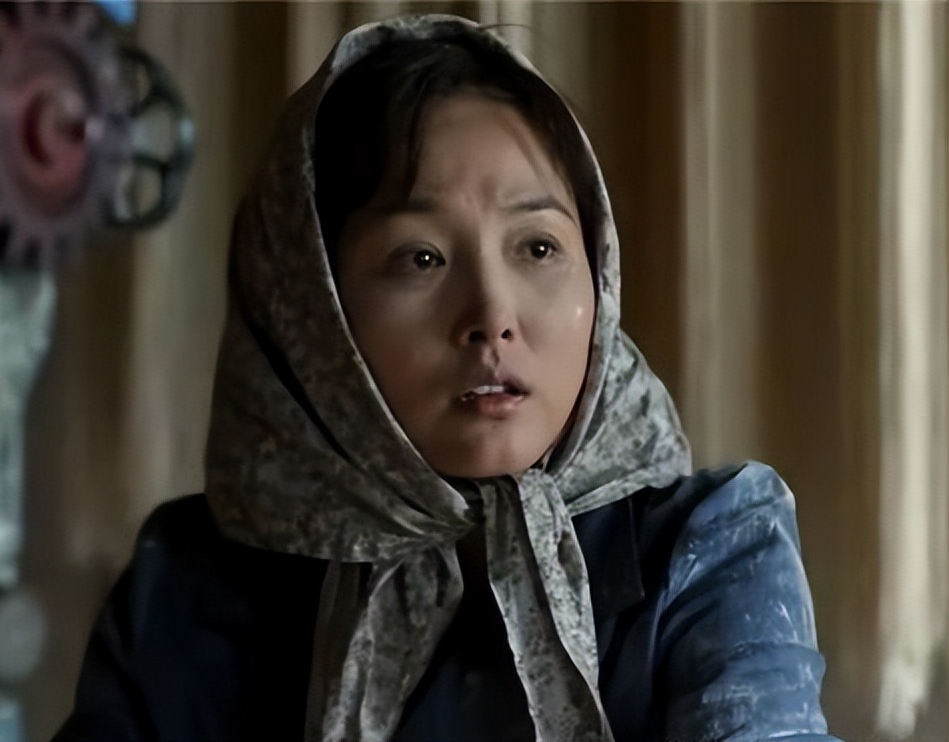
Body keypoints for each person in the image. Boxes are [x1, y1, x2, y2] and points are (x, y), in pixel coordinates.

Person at [53, 15, 840, 742]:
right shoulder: (184, 588)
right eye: (420, 258)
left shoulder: (709, 546)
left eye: (537, 248)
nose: (492, 314)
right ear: (309, 310)